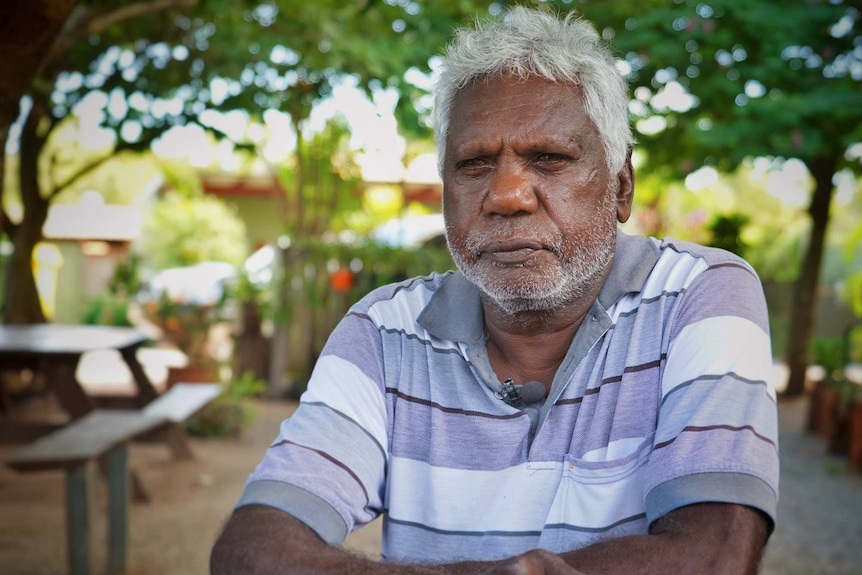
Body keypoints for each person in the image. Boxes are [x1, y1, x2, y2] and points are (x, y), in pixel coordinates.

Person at [211, 7, 778, 574]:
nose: (507, 194)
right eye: (474, 164)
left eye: (550, 159)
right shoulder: (385, 332)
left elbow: (715, 555)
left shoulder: (697, 297)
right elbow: (253, 551)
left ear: (621, 186)